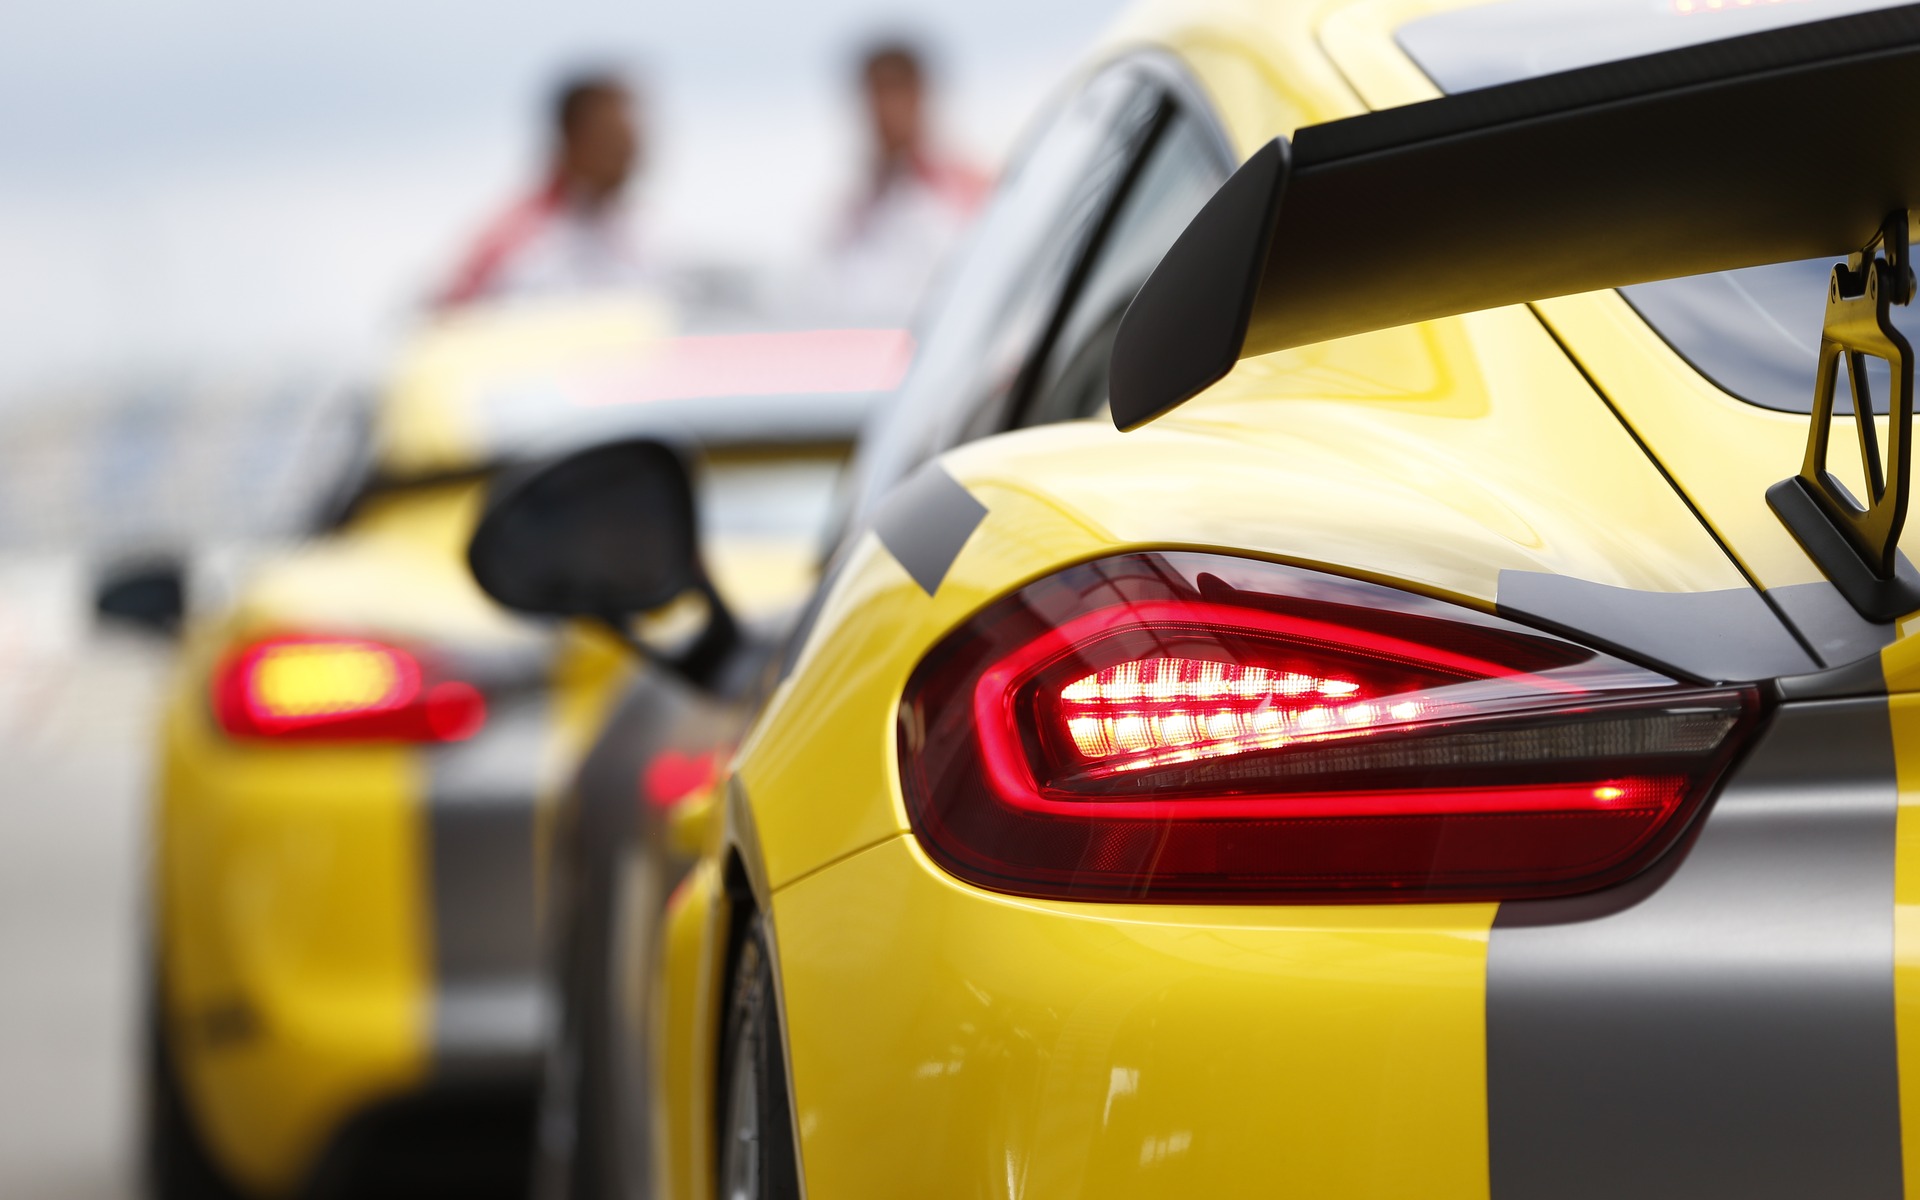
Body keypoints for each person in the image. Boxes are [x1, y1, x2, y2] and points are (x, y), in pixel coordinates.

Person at [437, 71, 646, 308]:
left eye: (631, 146)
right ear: (572, 138)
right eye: (612, 143)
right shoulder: (512, 242)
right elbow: (449, 322)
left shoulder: (644, 235)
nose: (628, 159)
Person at [822, 39, 989, 324]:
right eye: (875, 94)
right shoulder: (850, 211)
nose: (884, 110)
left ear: (920, 96)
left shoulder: (968, 194)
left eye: (895, 92)